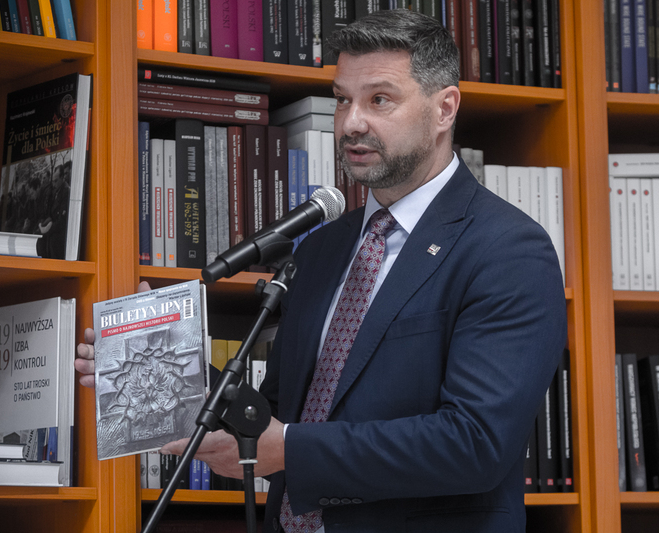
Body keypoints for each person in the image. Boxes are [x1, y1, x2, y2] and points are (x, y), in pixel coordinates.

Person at [76, 8, 567, 533]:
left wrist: (287, 448)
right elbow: (282, 413)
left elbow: (475, 443)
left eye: (379, 99)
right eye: (342, 99)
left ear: (444, 108)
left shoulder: (507, 250)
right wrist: (169, 368)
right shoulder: (324, 247)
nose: (351, 121)